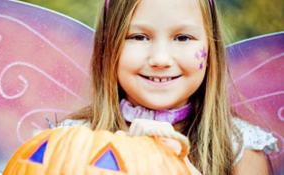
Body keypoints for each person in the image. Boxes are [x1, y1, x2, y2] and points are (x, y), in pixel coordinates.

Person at [58, 0, 278, 174]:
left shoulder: (240, 148)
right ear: (108, 47)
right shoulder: (71, 141)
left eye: (183, 37)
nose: (161, 58)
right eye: (139, 37)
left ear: (211, 48)